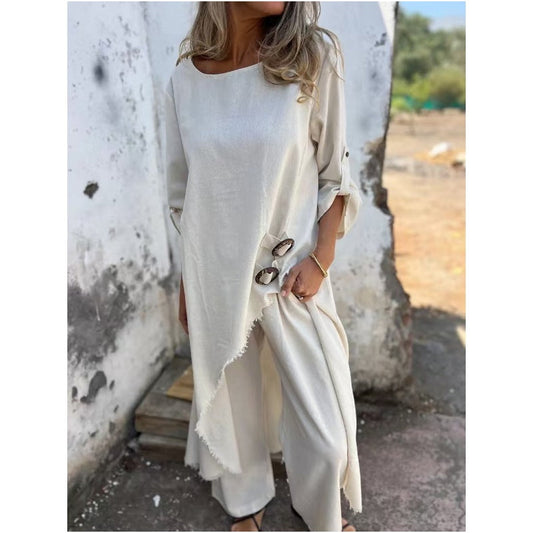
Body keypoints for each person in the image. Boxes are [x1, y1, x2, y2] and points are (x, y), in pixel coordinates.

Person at [165, 2, 363, 531]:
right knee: (233, 405)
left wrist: (321, 259)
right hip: (214, 276)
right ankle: (245, 503)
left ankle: (320, 512)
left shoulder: (312, 56)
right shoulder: (186, 80)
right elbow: (185, 197)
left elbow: (336, 171)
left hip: (290, 274)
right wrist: (188, 283)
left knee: (326, 431)